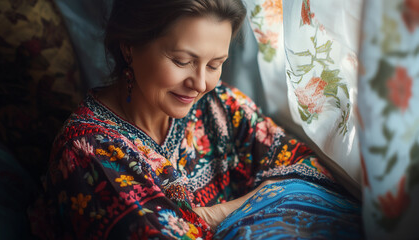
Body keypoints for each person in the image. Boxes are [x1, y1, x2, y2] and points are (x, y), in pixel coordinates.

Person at [39, 0, 362, 239]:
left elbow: (308, 170)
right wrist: (266, 195)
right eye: (182, 61)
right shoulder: (88, 151)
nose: (200, 83)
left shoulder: (219, 105)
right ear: (129, 47)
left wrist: (213, 214)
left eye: (214, 64)